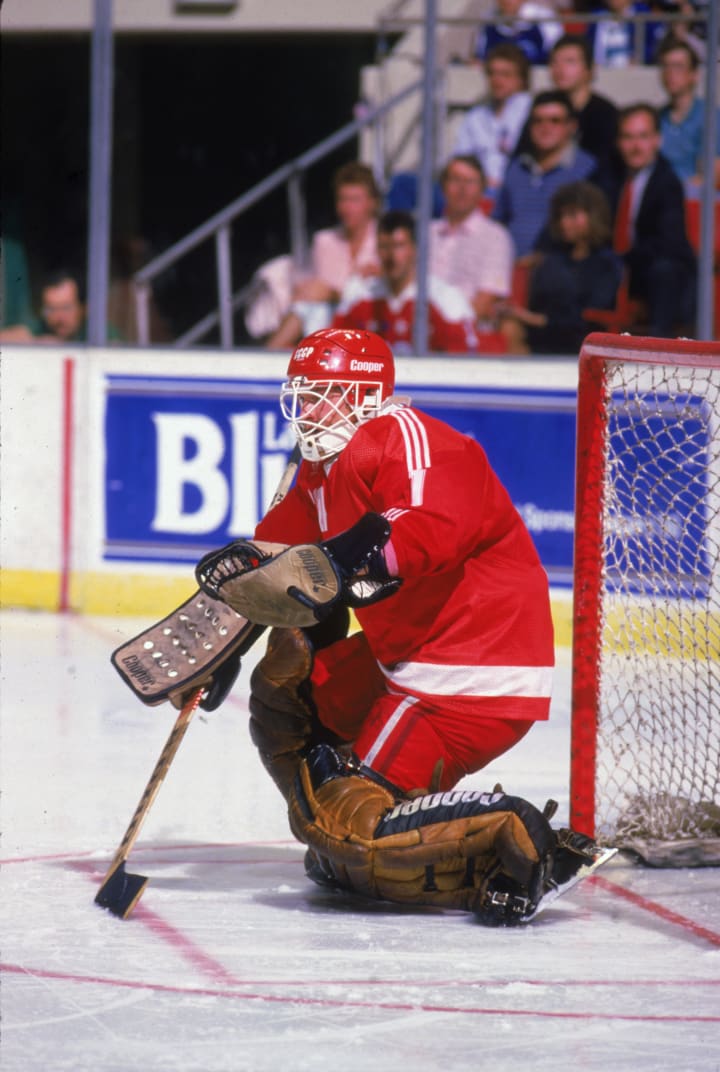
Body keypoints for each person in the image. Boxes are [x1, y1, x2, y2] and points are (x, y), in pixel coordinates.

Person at [194, 326, 596, 924]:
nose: (307, 409)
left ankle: (516, 835)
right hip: (408, 660)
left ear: (362, 394)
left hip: (464, 674)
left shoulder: (404, 436)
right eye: (302, 395)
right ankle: (363, 834)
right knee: (285, 693)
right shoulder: (320, 470)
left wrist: (344, 556)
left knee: (349, 830)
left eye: (321, 394)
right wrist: (221, 628)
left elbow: (428, 525)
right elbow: (277, 558)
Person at [596, 103, 697, 337]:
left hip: (654, 269)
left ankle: (658, 343)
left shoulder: (667, 182)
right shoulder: (610, 175)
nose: (635, 146)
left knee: (665, 270)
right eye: (628, 137)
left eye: (643, 136)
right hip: (616, 266)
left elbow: (668, 243)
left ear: (657, 140)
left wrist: (623, 259)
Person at [262, 162, 381, 349]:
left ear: (372, 203)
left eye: (355, 200)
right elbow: (313, 292)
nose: (347, 207)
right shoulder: (324, 241)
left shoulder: (386, 241)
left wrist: (333, 293)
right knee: (303, 309)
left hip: (371, 322)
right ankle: (268, 359)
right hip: (329, 321)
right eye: (342, 199)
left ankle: (268, 357)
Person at [497, 181, 622, 353]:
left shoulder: (606, 264)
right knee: (509, 328)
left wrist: (534, 319)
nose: (564, 223)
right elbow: (538, 304)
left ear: (593, 216)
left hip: (581, 342)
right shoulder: (551, 261)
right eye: (561, 216)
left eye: (572, 215)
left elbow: (590, 316)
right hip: (540, 337)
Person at [332, 210, 481, 353]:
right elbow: (334, 346)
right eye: (384, 247)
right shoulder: (360, 294)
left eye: (399, 246)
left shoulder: (445, 298)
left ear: (414, 249)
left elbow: (466, 355)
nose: (391, 256)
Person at [492, 91, 597, 259]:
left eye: (555, 121)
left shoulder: (588, 169)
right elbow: (498, 221)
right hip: (509, 268)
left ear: (572, 126)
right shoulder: (516, 167)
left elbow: (590, 234)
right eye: (537, 121)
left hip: (561, 271)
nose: (545, 128)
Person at [430, 154, 514, 331]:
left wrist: (444, 330)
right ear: (443, 186)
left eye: (470, 182)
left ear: (482, 189)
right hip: (420, 331)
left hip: (466, 334)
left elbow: (484, 302)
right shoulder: (424, 233)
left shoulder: (495, 236)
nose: (462, 189)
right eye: (455, 180)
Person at [452, 44, 533, 195]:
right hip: (473, 189)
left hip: (512, 191)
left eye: (505, 74)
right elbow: (461, 158)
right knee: (406, 182)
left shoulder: (532, 113)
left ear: (521, 80)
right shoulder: (476, 116)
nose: (497, 80)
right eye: (492, 73)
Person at [546, 34, 619, 170]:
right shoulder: (544, 110)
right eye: (554, 62)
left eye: (570, 61)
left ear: (589, 69)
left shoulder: (605, 114)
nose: (560, 69)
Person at [656, 37, 720, 187]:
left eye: (678, 66)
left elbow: (712, 177)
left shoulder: (710, 117)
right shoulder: (657, 117)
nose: (670, 73)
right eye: (666, 66)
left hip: (693, 203)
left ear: (694, 74)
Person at [0, 268, 122, 344]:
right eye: (51, 309)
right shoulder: (42, 327)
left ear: (84, 308)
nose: (58, 317)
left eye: (66, 308)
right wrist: (36, 343)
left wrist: (62, 348)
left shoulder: (99, 331)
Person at [472, 0, 564, 65]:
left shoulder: (545, 18)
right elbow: (479, 58)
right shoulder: (488, 20)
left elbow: (557, 56)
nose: (506, 1)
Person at [586, 0, 666, 67]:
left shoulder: (643, 14)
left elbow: (654, 44)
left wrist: (640, 59)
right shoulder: (596, 17)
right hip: (602, 72)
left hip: (633, 73)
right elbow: (588, 44)